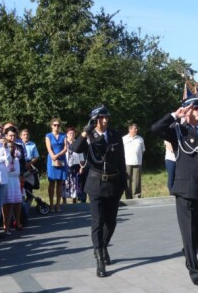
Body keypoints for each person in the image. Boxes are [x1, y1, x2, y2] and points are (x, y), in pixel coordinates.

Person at [151, 97, 198, 286]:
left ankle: (189, 250)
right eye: (196, 108)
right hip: (185, 189)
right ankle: (194, 268)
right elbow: (155, 129)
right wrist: (175, 115)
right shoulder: (178, 131)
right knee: (189, 231)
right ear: (187, 110)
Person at [72, 105, 127, 278]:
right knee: (97, 222)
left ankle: (103, 246)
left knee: (111, 222)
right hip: (96, 184)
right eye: (101, 118)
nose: (105, 120)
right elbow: (75, 148)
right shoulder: (88, 136)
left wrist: (123, 183)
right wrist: (84, 132)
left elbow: (121, 159)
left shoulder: (115, 135)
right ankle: (99, 259)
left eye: (107, 117)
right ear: (94, 119)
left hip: (113, 183)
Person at [45, 118, 68, 212]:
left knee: (60, 183)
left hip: (61, 158)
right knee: (51, 182)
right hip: (51, 159)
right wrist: (53, 156)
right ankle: (51, 204)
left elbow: (66, 148)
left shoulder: (63, 135)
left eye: (58, 125)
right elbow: (49, 148)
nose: (56, 127)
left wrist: (58, 156)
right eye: (55, 125)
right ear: (51, 126)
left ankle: (58, 204)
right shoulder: (48, 136)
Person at [122, 123, 145, 199]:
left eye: (137, 129)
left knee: (137, 181)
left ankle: (137, 196)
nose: (136, 130)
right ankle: (128, 197)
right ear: (130, 129)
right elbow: (121, 151)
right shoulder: (124, 139)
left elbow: (142, 150)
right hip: (127, 163)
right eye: (134, 129)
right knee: (127, 182)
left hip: (137, 162)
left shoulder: (140, 139)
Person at [63, 127, 84, 204]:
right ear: (66, 135)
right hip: (66, 166)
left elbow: (81, 156)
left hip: (75, 166)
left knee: (75, 184)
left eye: (73, 133)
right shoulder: (64, 143)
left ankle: (74, 202)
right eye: (70, 133)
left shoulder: (77, 143)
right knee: (65, 184)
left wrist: (82, 167)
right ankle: (64, 202)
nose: (71, 135)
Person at [20, 128, 40, 201]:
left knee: (29, 185)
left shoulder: (32, 144)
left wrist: (30, 163)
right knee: (21, 185)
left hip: (29, 165)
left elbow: (36, 156)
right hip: (20, 165)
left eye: (27, 135)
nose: (26, 136)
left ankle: (28, 204)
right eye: (24, 135)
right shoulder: (18, 144)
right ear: (21, 136)